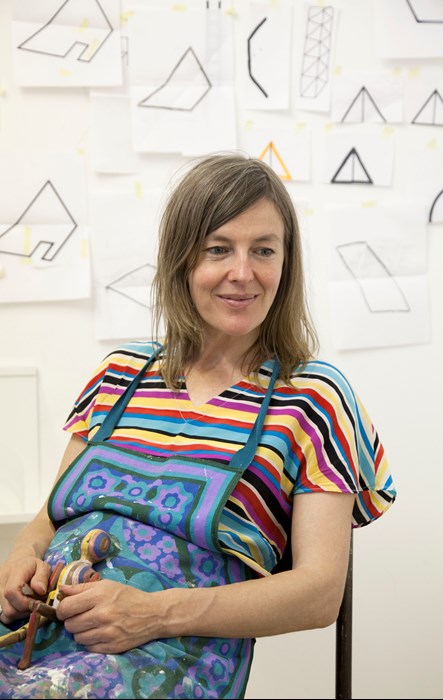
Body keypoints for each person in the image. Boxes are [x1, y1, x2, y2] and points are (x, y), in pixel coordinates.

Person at [0, 152, 396, 699]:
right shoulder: (121, 373)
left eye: (263, 250)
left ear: (287, 264)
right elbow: (47, 521)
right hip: (40, 628)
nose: (243, 272)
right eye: (218, 249)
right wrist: (21, 559)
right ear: (182, 260)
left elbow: (318, 594)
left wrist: (154, 614)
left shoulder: (314, 399)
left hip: (167, 657)